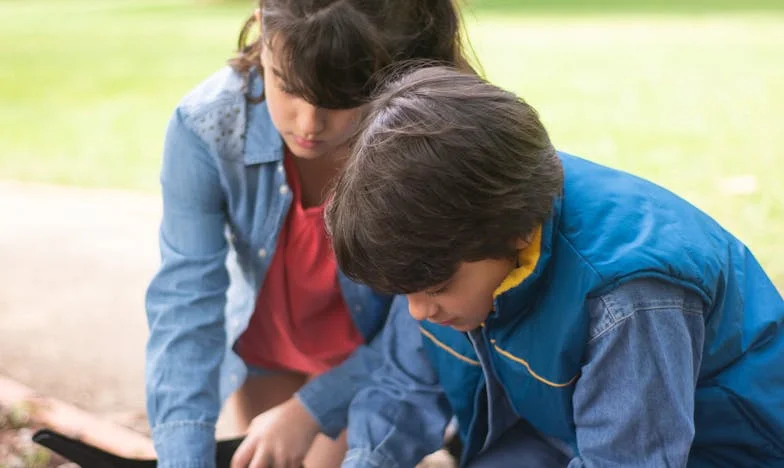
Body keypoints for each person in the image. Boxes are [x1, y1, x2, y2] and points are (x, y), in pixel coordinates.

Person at [325, 66, 784, 467]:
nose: (417, 312)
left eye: (437, 288)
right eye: (406, 291)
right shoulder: (447, 232)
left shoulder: (628, 298)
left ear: (517, 234)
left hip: (722, 451)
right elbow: (405, 384)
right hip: (561, 434)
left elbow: (628, 459)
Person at [144, 2, 474, 466]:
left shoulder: (430, 142)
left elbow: (421, 325)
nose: (309, 123)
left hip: (371, 356)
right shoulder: (205, 127)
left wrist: (311, 410)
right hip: (267, 350)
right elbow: (184, 302)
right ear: (261, 26)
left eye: (342, 96)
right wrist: (180, 453)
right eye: (289, 86)